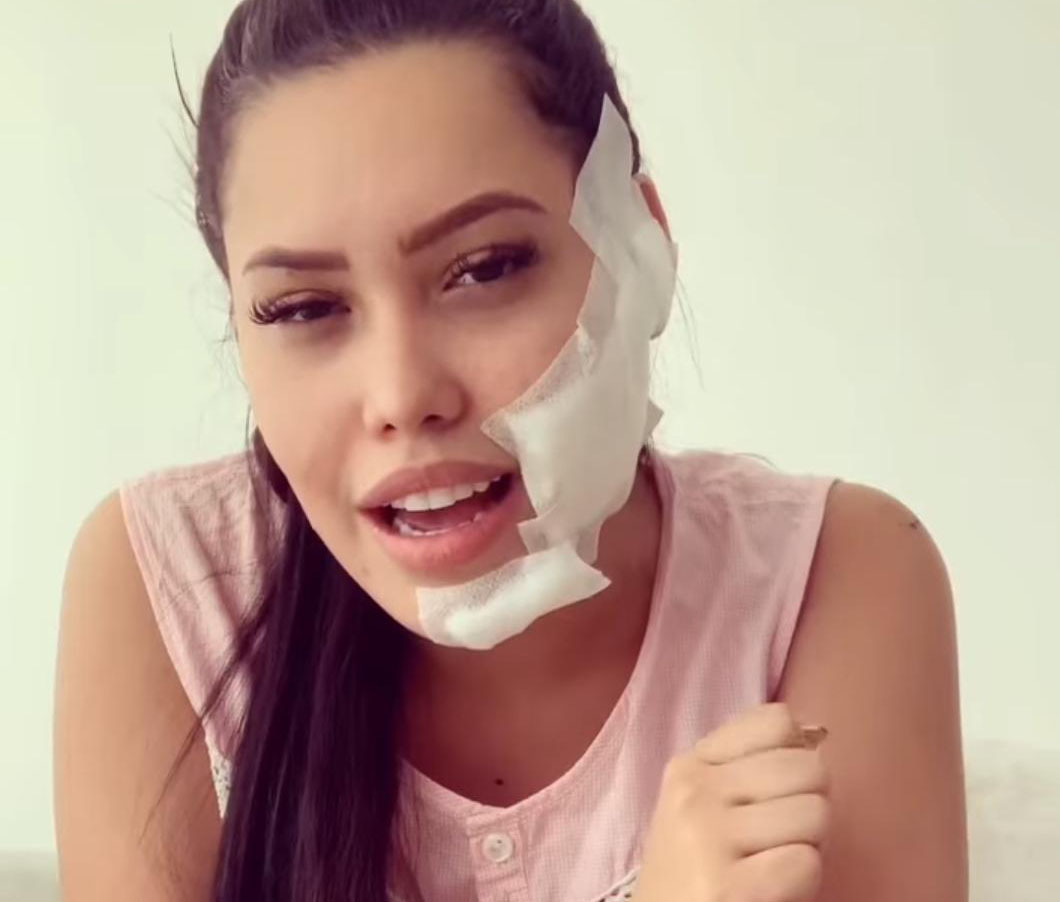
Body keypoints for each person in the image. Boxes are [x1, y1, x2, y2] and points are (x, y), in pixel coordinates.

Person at [53, 1, 968, 901]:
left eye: (484, 269)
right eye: (303, 308)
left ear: (639, 243)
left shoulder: (833, 575)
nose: (402, 396)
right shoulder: (168, 585)